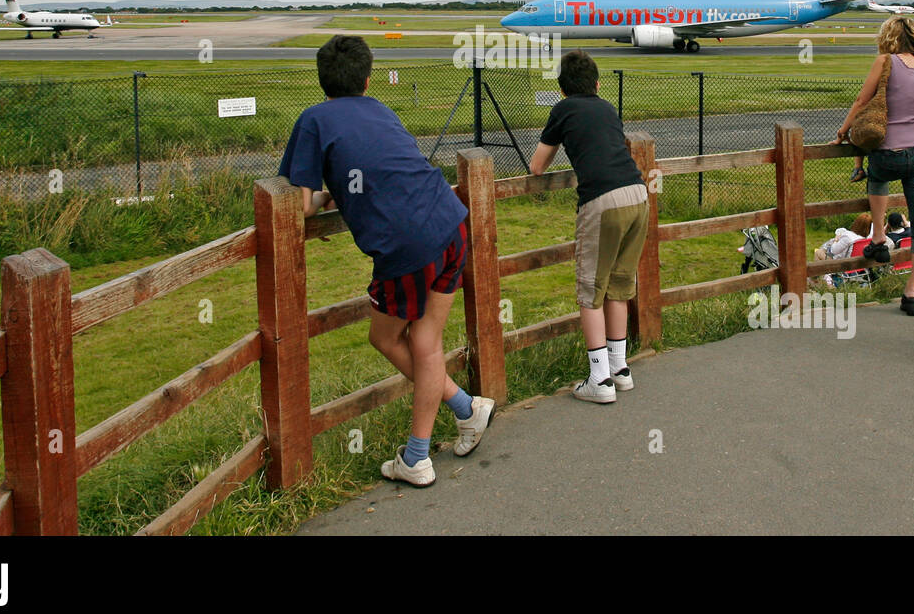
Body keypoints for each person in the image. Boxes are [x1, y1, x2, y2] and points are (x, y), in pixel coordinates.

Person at [278, 35, 493, 486]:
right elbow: (384, 164)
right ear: (368, 77)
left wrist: (326, 194)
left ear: (322, 81)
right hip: (451, 222)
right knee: (426, 340)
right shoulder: (380, 109)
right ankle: (466, 409)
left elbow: (298, 204)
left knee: (395, 339)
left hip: (408, 242)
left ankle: (418, 456)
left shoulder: (314, 120)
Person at [530, 49, 649, 404]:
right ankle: (619, 369)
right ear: (597, 84)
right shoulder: (608, 108)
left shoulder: (562, 109)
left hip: (603, 200)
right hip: (637, 194)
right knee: (619, 285)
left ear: (562, 89)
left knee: (590, 288)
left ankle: (599, 379)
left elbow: (537, 165)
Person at [835, 15, 914, 317]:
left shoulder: (885, 61)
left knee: (877, 178)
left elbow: (861, 101)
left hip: (889, 148)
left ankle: (878, 235)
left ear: (888, 36)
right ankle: (913, 291)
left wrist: (843, 131)